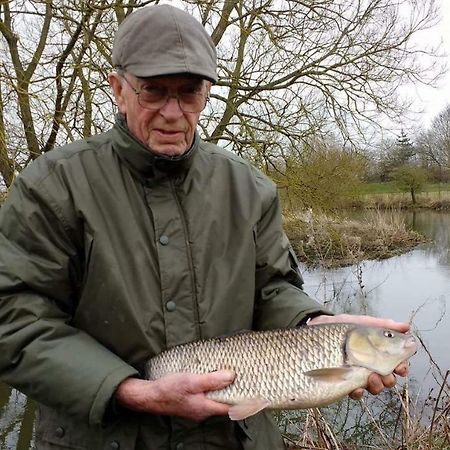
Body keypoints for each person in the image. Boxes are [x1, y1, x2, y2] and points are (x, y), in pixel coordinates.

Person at [0, 5, 409, 450]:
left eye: (190, 92)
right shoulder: (53, 186)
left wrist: (314, 323)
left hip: (234, 438)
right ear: (118, 89)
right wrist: (128, 390)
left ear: (208, 91)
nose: (174, 112)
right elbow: (14, 319)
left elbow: (272, 289)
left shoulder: (249, 188)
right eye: (154, 92)